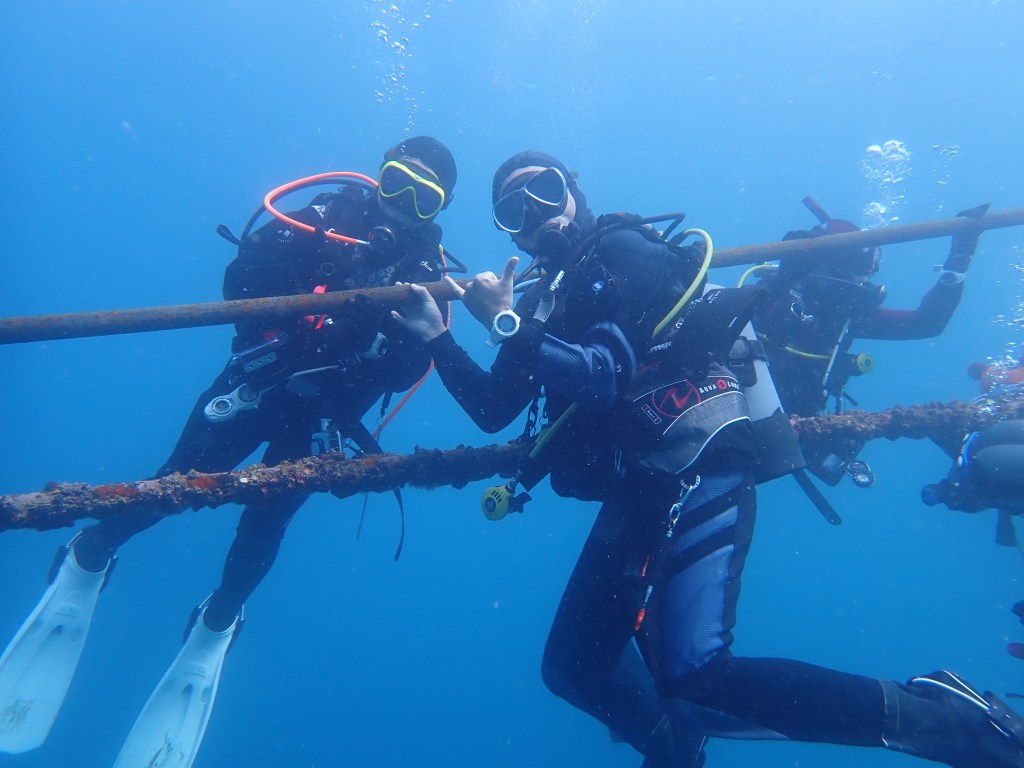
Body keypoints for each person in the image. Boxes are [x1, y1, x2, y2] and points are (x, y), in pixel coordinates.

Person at [393, 151, 1024, 767]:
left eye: (547, 191)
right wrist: (440, 338)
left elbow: (604, 376)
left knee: (696, 674)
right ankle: (676, 746)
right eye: (514, 210)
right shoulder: (544, 300)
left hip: (699, 452)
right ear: (510, 232)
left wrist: (504, 323)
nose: (536, 214)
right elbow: (493, 409)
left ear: (575, 193)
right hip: (645, 478)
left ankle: (944, 718)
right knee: (573, 667)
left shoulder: (621, 251)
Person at [0, 136, 457, 766]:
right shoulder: (326, 218)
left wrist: (381, 333)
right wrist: (304, 285)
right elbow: (240, 282)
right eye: (396, 181)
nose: (402, 203)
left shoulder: (430, 277)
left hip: (323, 415)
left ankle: (218, 622)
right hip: (255, 385)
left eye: (422, 196)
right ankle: (89, 557)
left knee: (265, 526)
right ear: (378, 176)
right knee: (170, 485)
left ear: (439, 208)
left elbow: (408, 371)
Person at [749, 198, 986, 492]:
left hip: (796, 425)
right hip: (738, 409)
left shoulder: (846, 315)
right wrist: (784, 279)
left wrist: (957, 264)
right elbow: (724, 325)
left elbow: (926, 324)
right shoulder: (770, 295)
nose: (865, 280)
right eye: (861, 268)